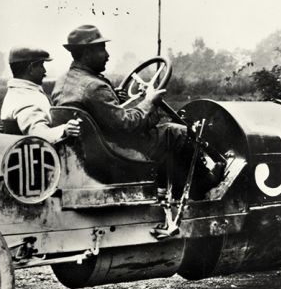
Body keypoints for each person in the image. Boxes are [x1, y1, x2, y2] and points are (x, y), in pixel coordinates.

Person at [52, 24, 221, 185]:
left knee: (164, 134)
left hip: (87, 152)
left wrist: (116, 99)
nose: (107, 55)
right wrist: (149, 101)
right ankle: (204, 184)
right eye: (102, 49)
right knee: (177, 133)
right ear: (87, 52)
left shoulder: (63, 81)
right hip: (113, 153)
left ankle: (172, 185)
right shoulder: (94, 86)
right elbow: (127, 125)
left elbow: (100, 112)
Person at [0, 46, 81, 143]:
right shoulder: (25, 99)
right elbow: (37, 134)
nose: (44, 71)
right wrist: (64, 130)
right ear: (31, 68)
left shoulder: (19, 92)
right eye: (41, 65)